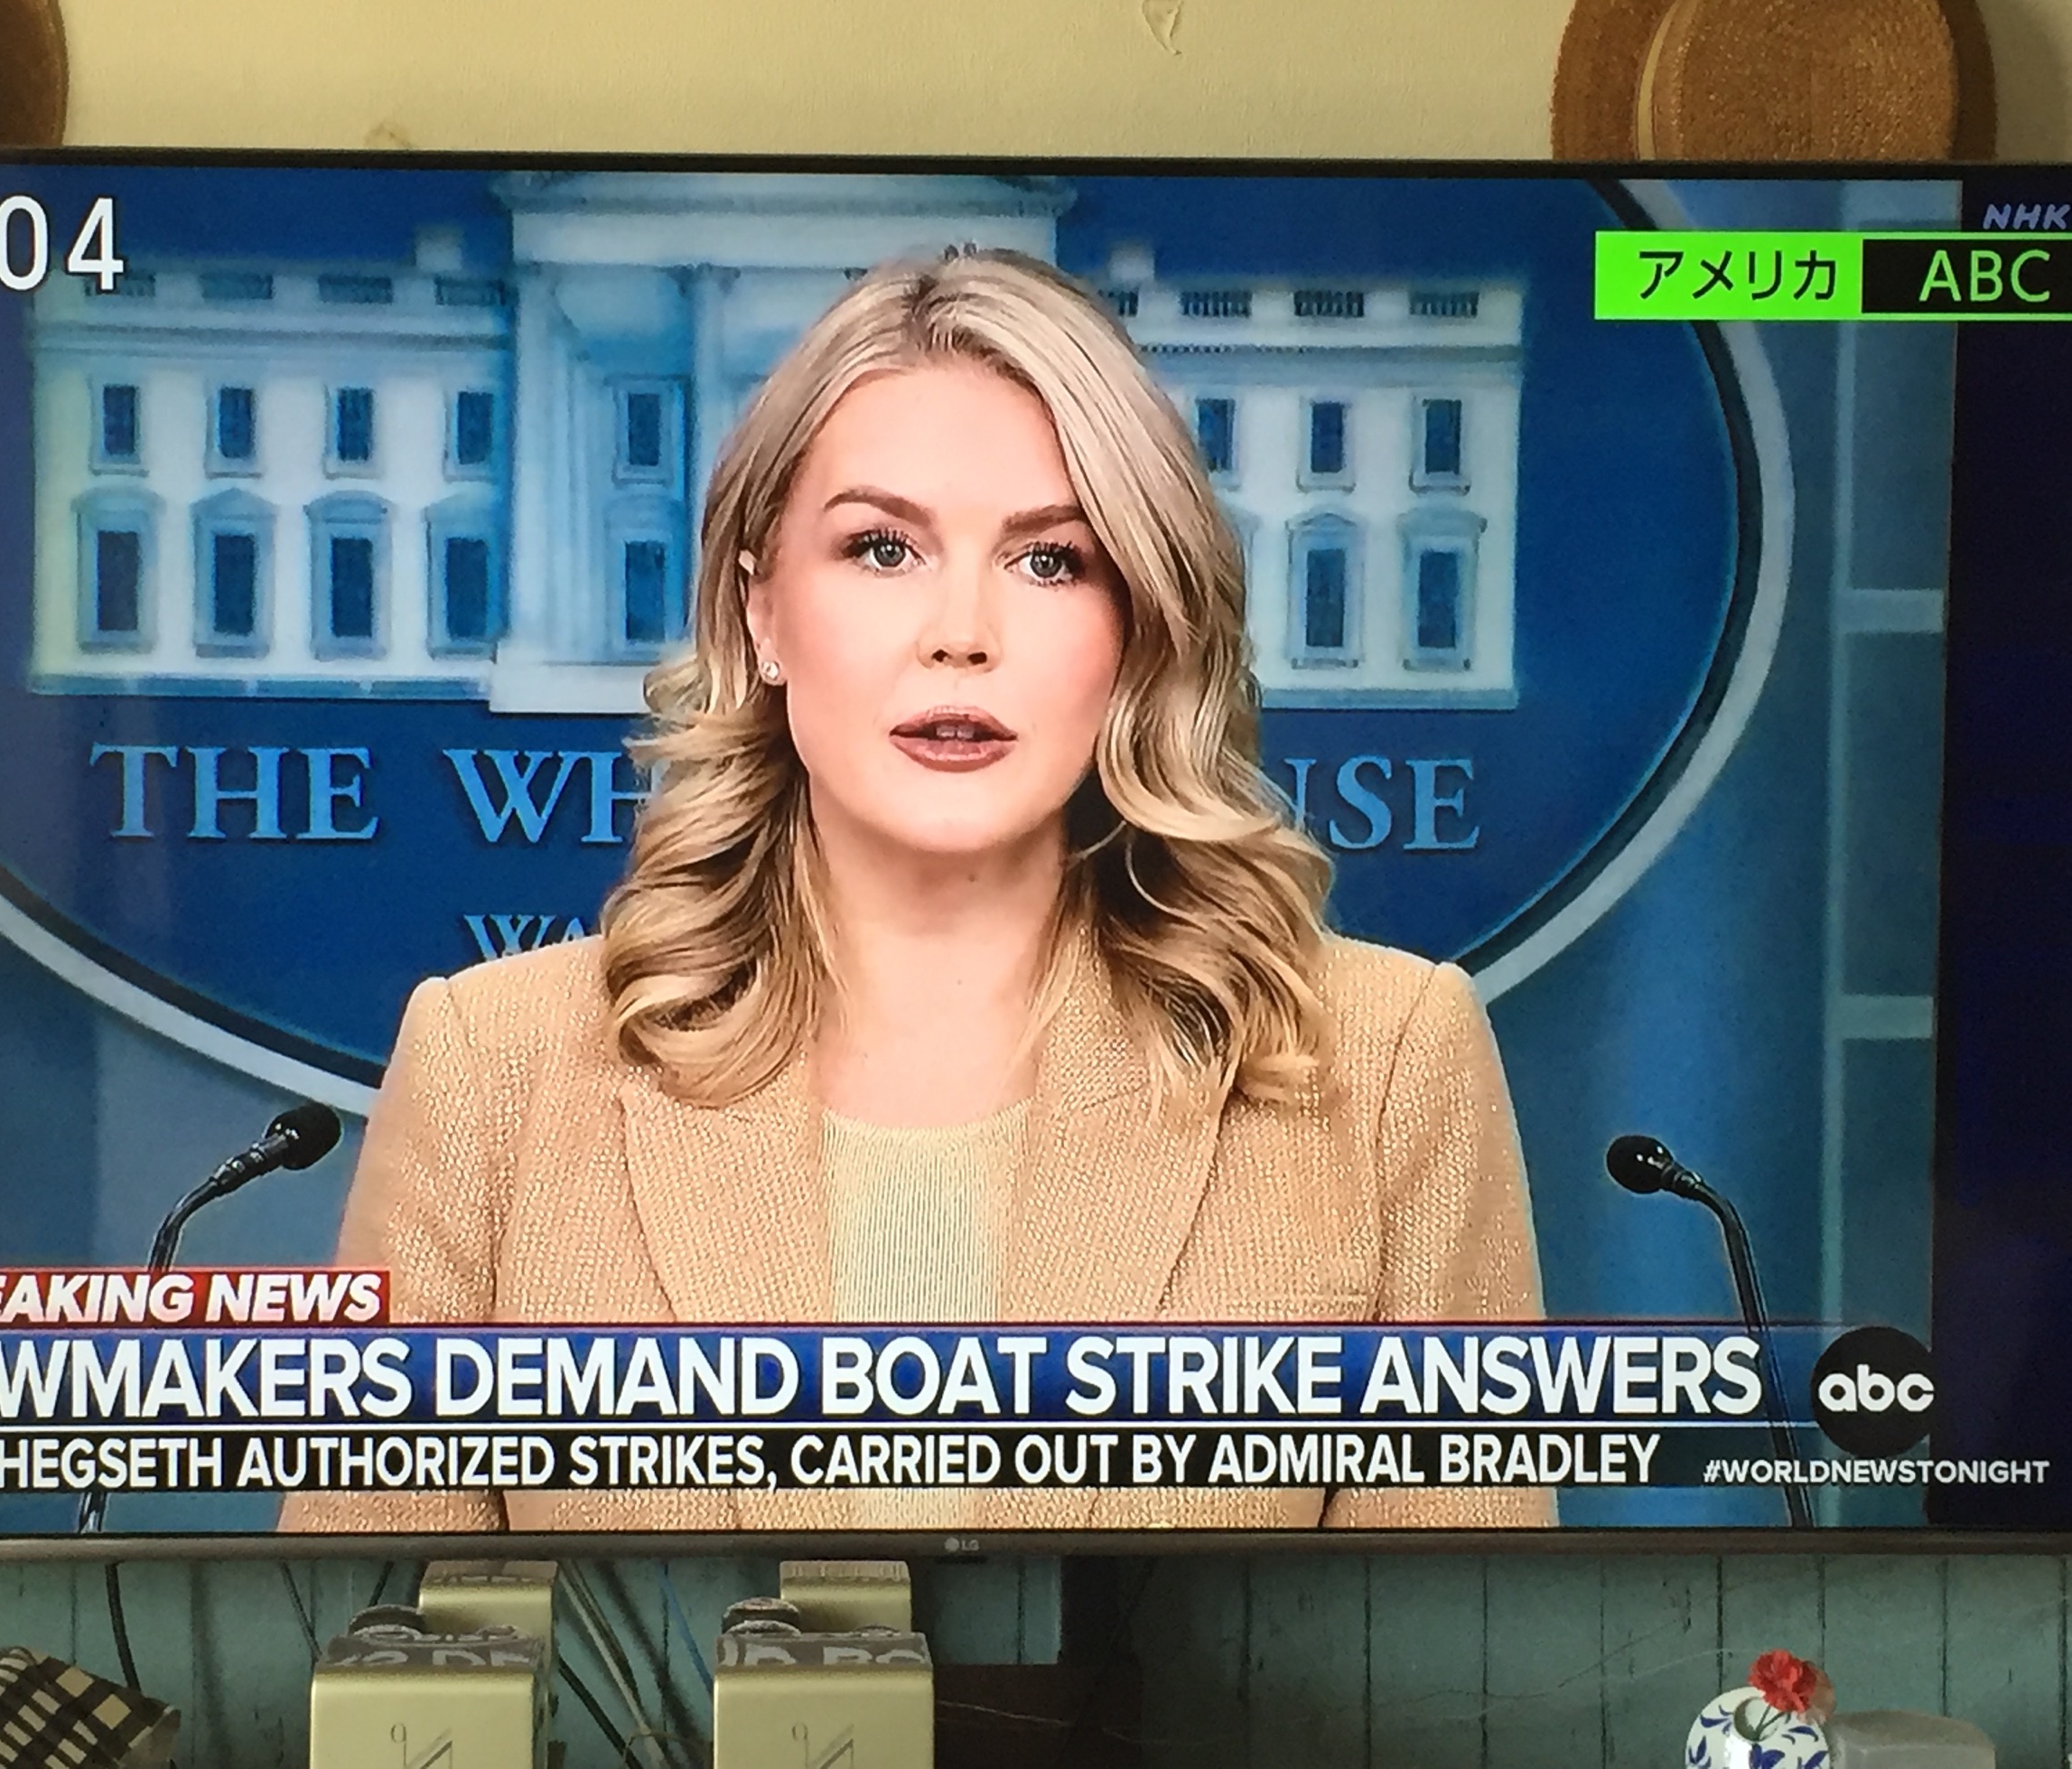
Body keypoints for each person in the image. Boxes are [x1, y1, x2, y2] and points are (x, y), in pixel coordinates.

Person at [283, 248, 1548, 1536]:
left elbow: (1466, 1652)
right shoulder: (493, 1071)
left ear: (1138, 626)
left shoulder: (1389, 1067)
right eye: (882, 548)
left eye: (1050, 561)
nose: (961, 633)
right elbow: (362, 1642)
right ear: (763, 612)